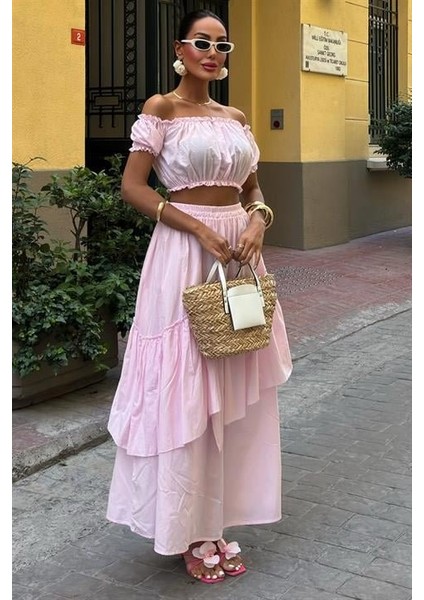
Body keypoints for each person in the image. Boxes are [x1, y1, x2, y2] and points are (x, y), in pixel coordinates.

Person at [106, 9, 293, 584]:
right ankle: (186, 527)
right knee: (186, 387)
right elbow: (133, 187)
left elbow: (252, 188)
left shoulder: (235, 118)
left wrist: (258, 218)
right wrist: (196, 227)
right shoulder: (161, 109)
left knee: (231, 382)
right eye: (202, 43)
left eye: (222, 45)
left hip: (238, 254)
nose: (213, 52)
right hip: (183, 254)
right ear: (179, 49)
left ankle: (216, 519)